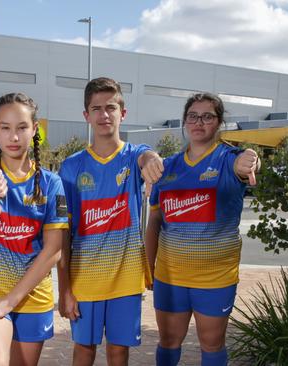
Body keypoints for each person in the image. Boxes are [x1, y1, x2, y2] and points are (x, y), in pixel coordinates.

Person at [145, 92, 259, 366]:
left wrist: (252, 161)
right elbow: (155, 223)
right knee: (169, 342)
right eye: (193, 116)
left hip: (215, 278)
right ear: (185, 121)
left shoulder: (228, 158)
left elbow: (247, 163)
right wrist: (147, 267)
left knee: (211, 345)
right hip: (170, 277)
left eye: (207, 116)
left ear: (219, 122)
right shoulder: (167, 167)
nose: (199, 122)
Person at [57, 77, 163, 366]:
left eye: (111, 107)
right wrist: (64, 289)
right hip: (84, 280)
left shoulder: (133, 156)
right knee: (84, 351)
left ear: (122, 113)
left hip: (126, 279)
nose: (104, 114)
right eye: (97, 108)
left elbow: (147, 157)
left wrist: (153, 159)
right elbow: (63, 233)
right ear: (86, 115)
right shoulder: (71, 167)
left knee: (118, 352)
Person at [0, 92, 68, 366]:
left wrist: (10, 300)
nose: (14, 137)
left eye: (22, 127)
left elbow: (54, 250)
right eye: (5, 128)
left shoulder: (52, 184)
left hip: (32, 296)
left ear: (34, 130)